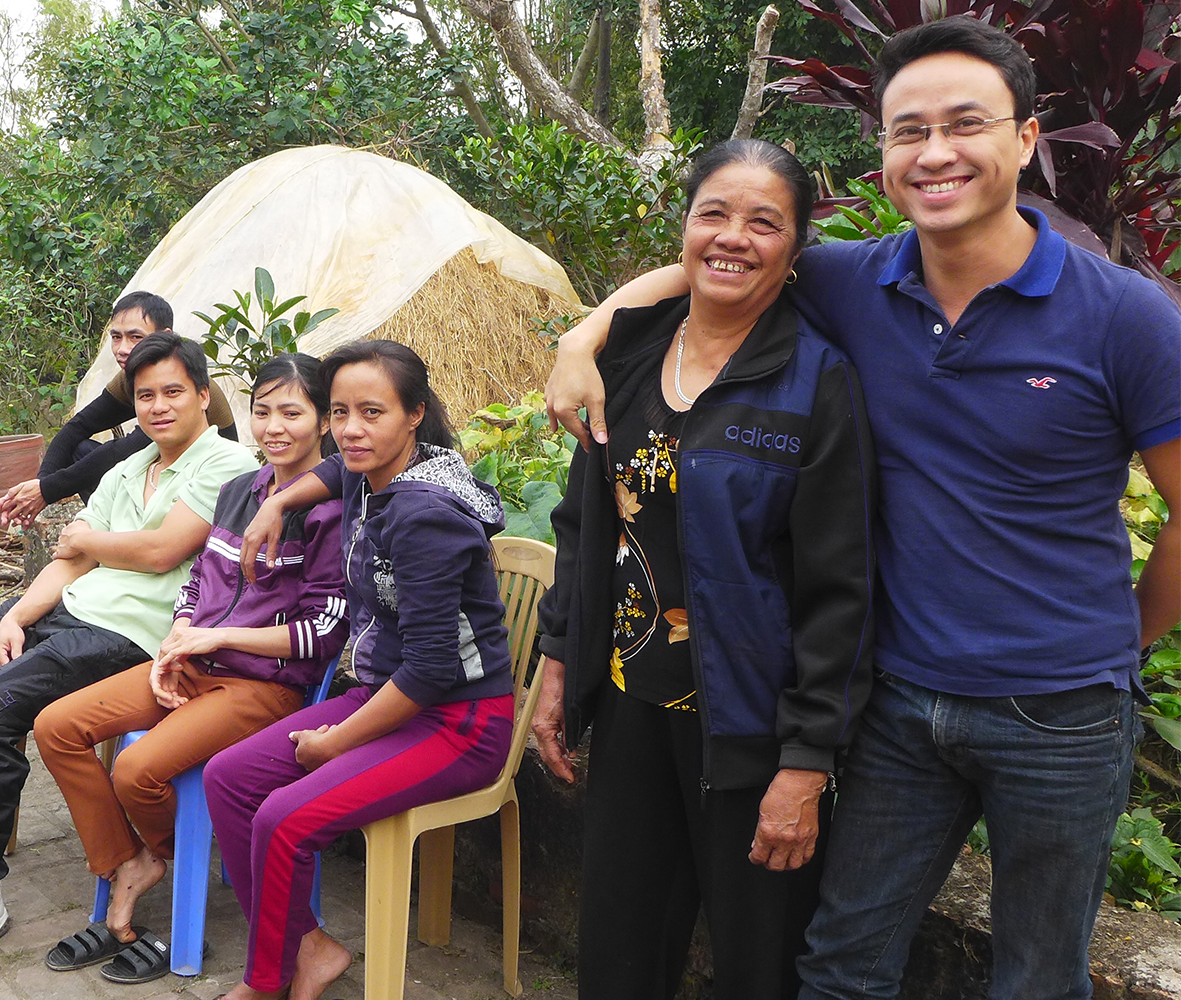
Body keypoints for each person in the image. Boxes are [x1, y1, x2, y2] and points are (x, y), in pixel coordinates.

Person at [543, 18, 1180, 1000]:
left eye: (964, 123)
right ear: (880, 152)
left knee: (1039, 977)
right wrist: (584, 334)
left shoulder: (1128, 316)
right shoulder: (854, 277)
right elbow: (722, 258)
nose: (934, 152)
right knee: (841, 967)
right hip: (898, 705)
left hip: (1059, 714)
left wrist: (1120, 645)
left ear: (1024, 137)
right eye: (906, 129)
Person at [530, 139, 876, 1000]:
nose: (734, 238)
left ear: (795, 252)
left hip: (753, 730)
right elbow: (583, 528)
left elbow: (843, 589)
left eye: (765, 222)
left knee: (760, 966)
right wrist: (558, 662)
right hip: (631, 706)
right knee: (617, 954)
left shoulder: (816, 382)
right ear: (683, 230)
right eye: (713, 213)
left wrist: (806, 763)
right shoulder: (629, 356)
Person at [0, 332, 259, 978]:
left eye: (174, 392)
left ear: (204, 395)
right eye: (145, 396)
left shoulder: (226, 466)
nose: (159, 406)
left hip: (129, 638)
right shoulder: (127, 467)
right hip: (67, 613)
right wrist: (14, 616)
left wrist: (91, 537)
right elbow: (72, 556)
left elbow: (161, 551)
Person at [204, 340, 515, 1000]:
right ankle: (309, 948)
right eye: (338, 411)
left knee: (284, 818)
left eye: (371, 412)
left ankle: (265, 983)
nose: (349, 429)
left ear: (414, 415)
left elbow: (433, 670)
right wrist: (278, 504)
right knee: (228, 778)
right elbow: (336, 476)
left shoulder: (424, 517)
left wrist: (337, 742)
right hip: (392, 698)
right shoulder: (378, 472)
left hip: (458, 724)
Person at [31, 354, 348, 984]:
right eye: (262, 411)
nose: (274, 426)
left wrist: (216, 635)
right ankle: (130, 861)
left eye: (292, 411)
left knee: (138, 769)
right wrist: (179, 638)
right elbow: (197, 584)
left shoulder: (331, 513)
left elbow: (322, 633)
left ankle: (163, 860)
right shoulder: (239, 492)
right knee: (56, 726)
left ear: (322, 421)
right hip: (194, 662)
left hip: (265, 687)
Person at [0, 290, 237, 527]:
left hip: (205, 486)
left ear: (165, 336)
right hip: (161, 472)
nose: (122, 348)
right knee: (82, 450)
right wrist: (39, 486)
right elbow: (77, 427)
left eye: (135, 337)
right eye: (116, 337)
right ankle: (110, 526)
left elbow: (125, 450)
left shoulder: (185, 379)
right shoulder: (128, 379)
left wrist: (47, 491)